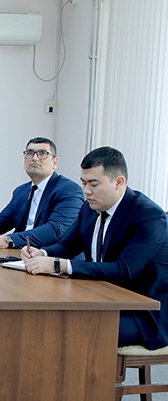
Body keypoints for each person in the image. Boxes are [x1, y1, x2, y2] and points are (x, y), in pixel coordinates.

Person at [22, 147, 168, 349]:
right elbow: (67, 245)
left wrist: (57, 265)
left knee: (76, 331)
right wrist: (42, 253)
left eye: (94, 184)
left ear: (119, 182)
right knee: (43, 318)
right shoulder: (90, 207)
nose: (87, 191)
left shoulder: (148, 216)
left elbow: (123, 270)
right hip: (100, 297)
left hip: (144, 311)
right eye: (83, 183)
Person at [0, 137, 84, 249]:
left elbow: (55, 230)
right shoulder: (21, 191)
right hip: (20, 253)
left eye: (42, 154)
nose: (35, 158)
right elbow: (2, 221)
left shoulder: (69, 190)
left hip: (50, 257)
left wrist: (9, 240)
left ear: (54, 162)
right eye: (30, 153)